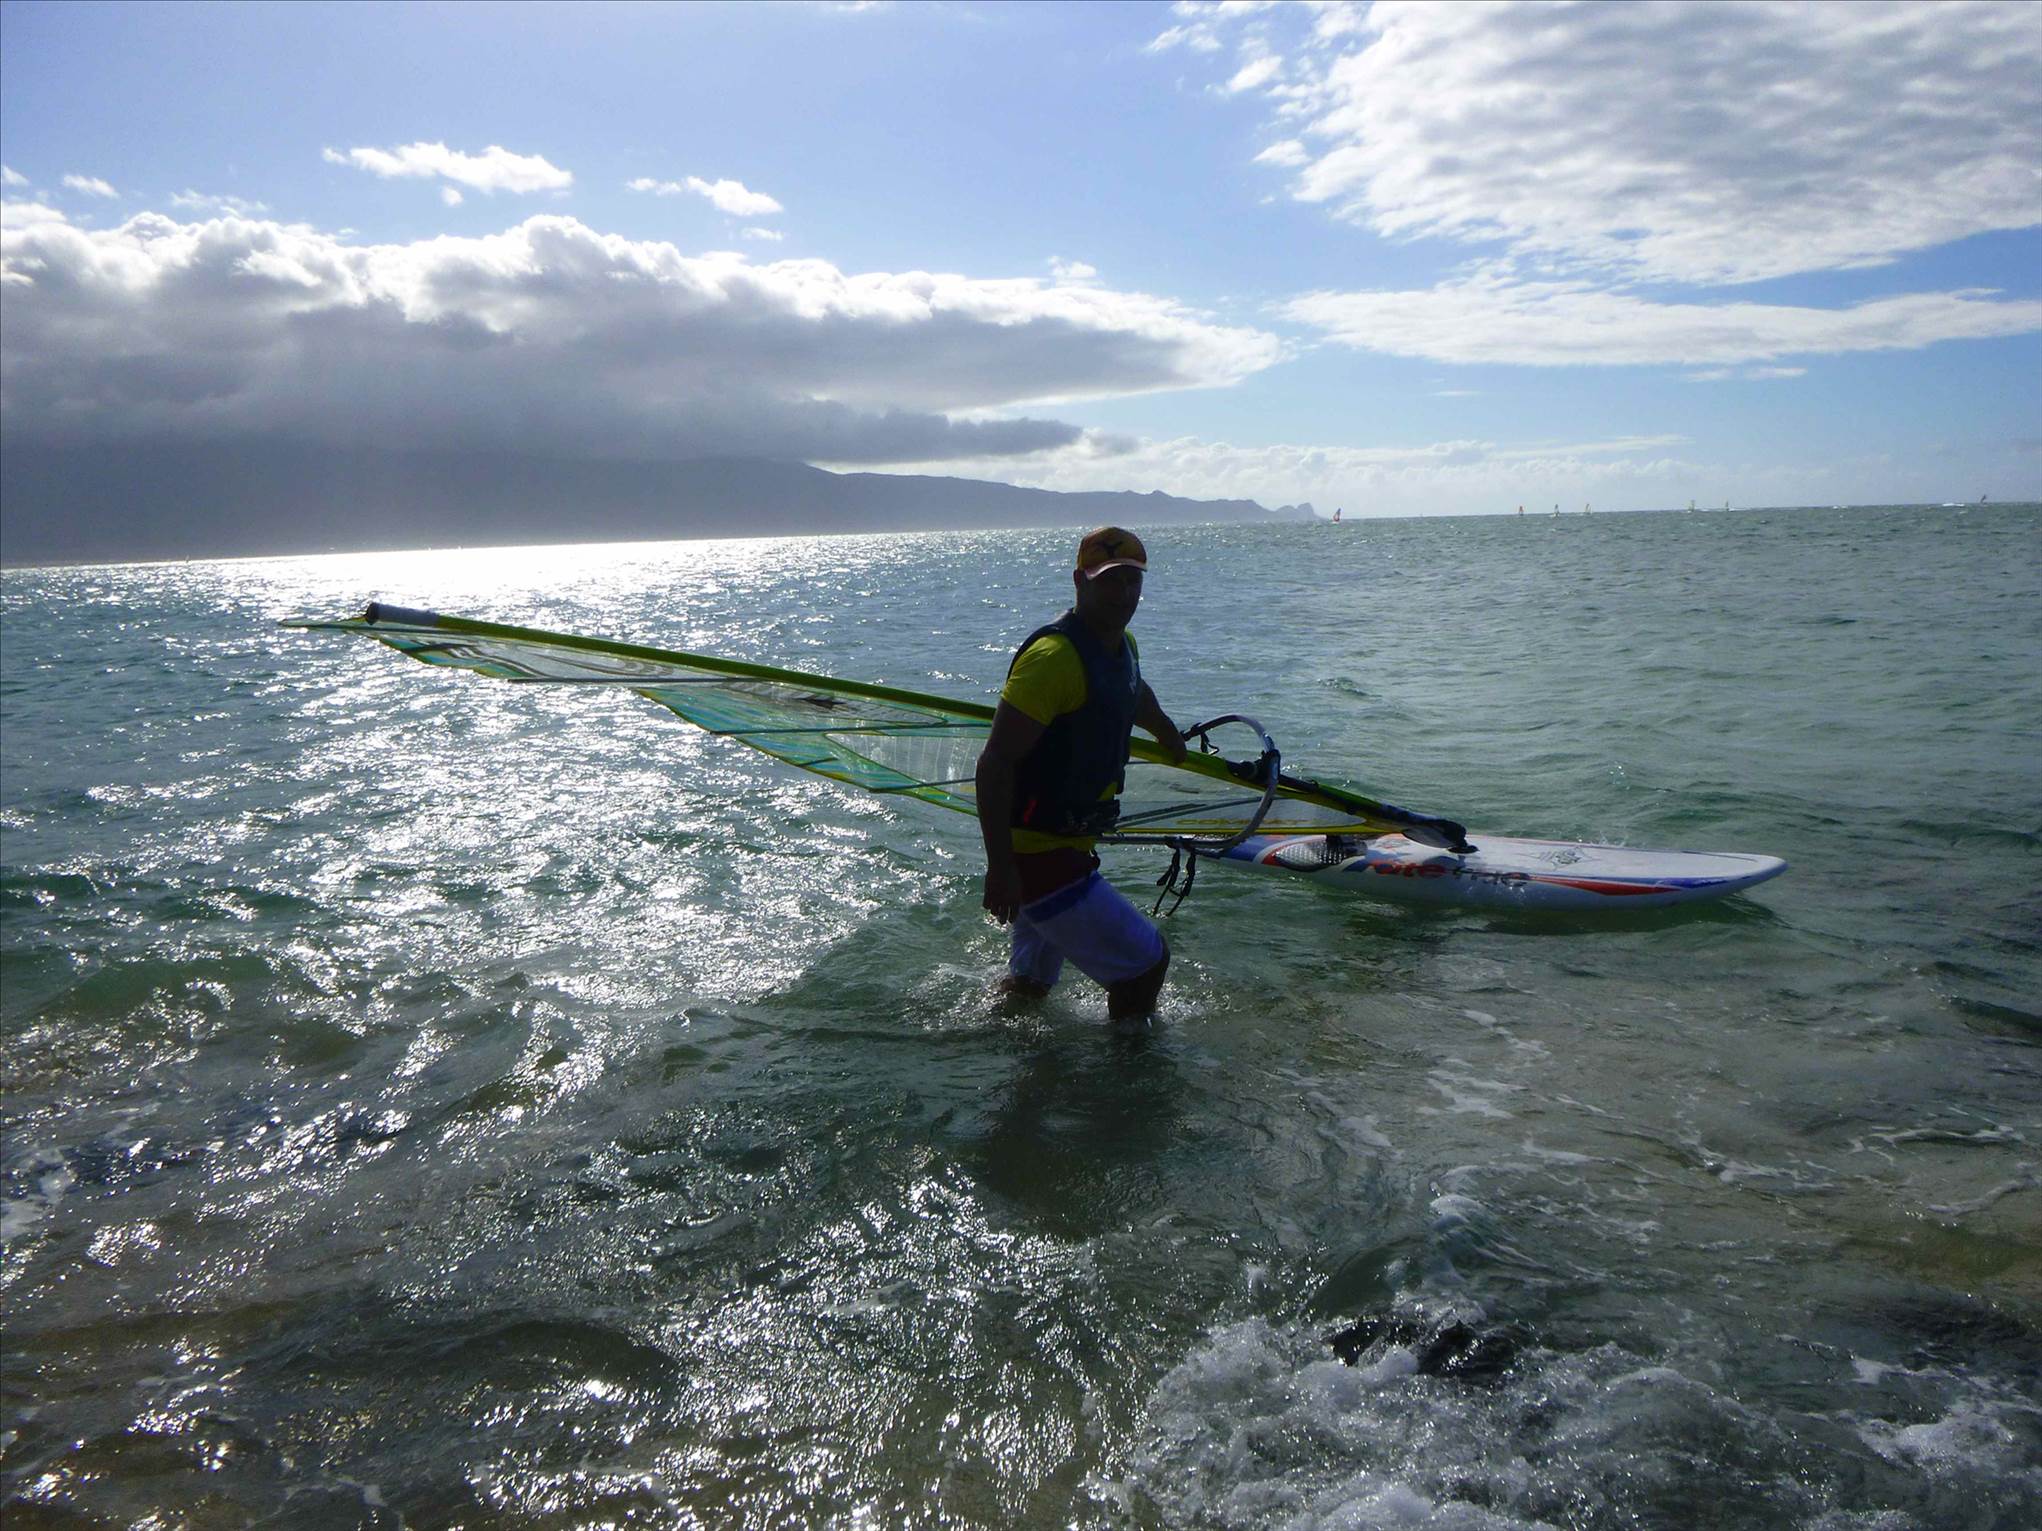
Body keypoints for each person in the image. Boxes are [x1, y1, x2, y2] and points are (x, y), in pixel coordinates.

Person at [975, 527, 1187, 1029]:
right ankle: (1127, 1073)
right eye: (1109, 581)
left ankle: (998, 1051)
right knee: (1144, 968)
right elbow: (995, 763)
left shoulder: (1121, 644)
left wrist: (1165, 732)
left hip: (1066, 842)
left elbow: (1132, 690)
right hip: (1039, 855)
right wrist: (1000, 869)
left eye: (1132, 582)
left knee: (1030, 988)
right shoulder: (1053, 661)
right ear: (1080, 581)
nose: (1123, 594)